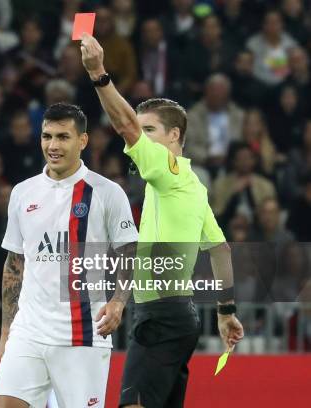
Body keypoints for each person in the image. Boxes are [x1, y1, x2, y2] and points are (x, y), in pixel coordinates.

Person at [79, 33, 244, 407]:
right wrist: (226, 312)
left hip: (162, 316)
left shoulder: (167, 171)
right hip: (178, 316)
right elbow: (220, 251)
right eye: (143, 130)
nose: (141, 138)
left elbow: (125, 127)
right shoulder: (194, 185)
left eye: (150, 130)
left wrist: (98, 73)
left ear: (174, 136)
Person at [0, 102, 139, 408]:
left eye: (62, 137)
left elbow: (130, 252)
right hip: (29, 331)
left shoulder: (106, 193)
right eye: (47, 136)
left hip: (82, 335)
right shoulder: (22, 192)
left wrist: (117, 302)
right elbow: (14, 265)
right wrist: (7, 330)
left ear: (82, 141)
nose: (53, 145)